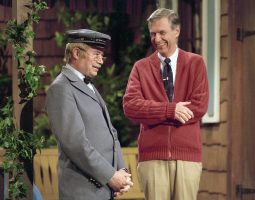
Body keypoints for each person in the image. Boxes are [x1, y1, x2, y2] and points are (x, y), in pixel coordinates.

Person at [123, 8, 209, 200]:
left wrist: (152, 114)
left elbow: (199, 106)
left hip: (187, 157)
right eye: (153, 34)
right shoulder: (141, 67)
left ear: (176, 31)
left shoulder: (196, 63)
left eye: (162, 33)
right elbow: (131, 106)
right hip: (152, 158)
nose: (157, 39)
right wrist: (171, 110)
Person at [46, 29, 133, 200]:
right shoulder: (61, 88)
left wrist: (120, 171)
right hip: (83, 190)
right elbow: (75, 144)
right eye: (96, 54)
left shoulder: (89, 85)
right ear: (76, 53)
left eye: (102, 56)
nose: (101, 61)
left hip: (103, 189)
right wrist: (110, 176)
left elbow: (111, 132)